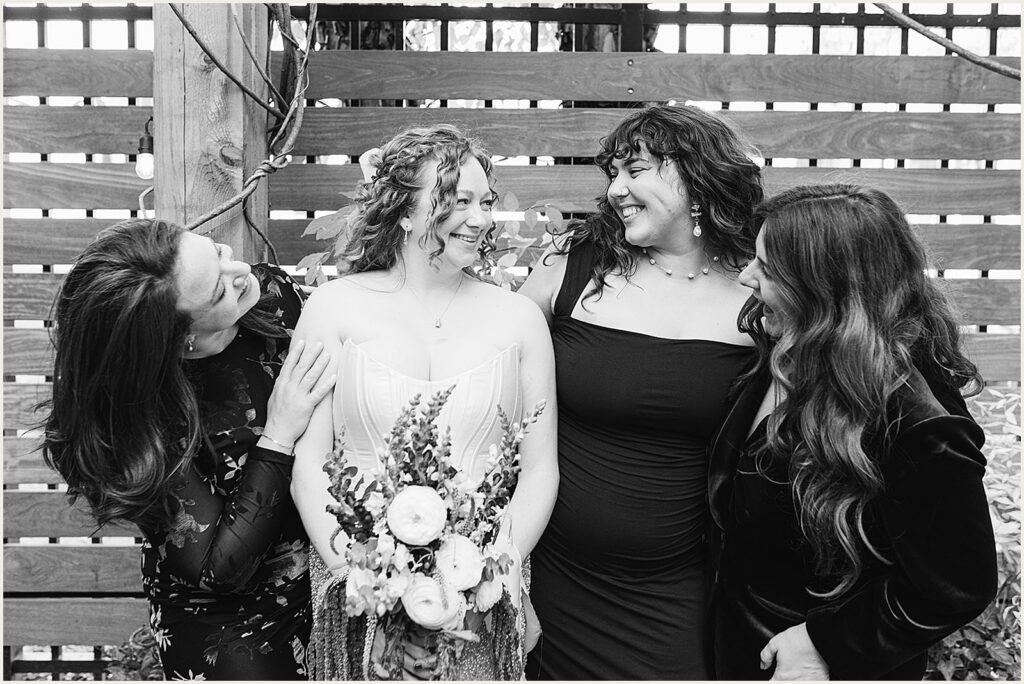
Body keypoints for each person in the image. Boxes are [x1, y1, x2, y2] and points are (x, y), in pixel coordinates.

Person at [289, 124, 559, 679]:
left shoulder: (520, 320)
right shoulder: (333, 309)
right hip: (361, 588)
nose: (482, 218)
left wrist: (494, 569)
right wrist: (358, 570)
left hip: (480, 594)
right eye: (459, 201)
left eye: (486, 201)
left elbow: (539, 469)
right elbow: (309, 464)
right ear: (404, 211)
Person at [707, 184, 998, 680]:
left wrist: (828, 642)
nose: (745, 277)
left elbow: (960, 582)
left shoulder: (913, 420)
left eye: (768, 269)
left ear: (824, 289)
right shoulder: (787, 355)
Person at [518, 103, 764, 679]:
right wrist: (500, 567)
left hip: (679, 591)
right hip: (549, 581)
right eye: (612, 175)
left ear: (697, 176)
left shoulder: (758, 293)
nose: (615, 191)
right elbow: (484, 390)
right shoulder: (574, 270)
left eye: (636, 171)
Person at [42, 218, 335, 680]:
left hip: (325, 582)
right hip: (232, 628)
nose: (240, 271)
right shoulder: (138, 418)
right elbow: (218, 569)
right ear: (181, 339)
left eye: (217, 252)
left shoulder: (271, 295)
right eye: (217, 292)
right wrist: (280, 432)